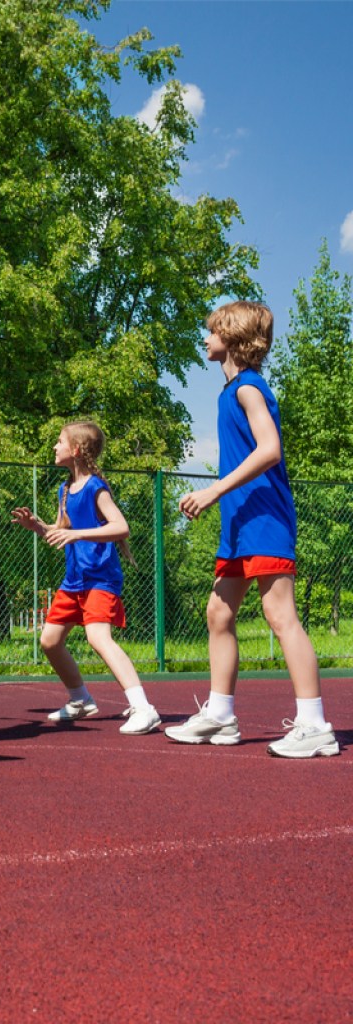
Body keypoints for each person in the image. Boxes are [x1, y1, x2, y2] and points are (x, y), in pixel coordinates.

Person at [167, 301, 339, 757]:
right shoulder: (229, 392)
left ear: (234, 338)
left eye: (211, 332)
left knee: (281, 617)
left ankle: (315, 723)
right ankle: (221, 716)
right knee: (218, 614)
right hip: (241, 524)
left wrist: (212, 491)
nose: (205, 339)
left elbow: (270, 450)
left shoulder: (248, 388)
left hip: (265, 518)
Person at [13, 422, 161, 735]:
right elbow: (60, 531)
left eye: (59, 441)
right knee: (50, 641)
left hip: (100, 579)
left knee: (97, 638)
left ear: (76, 450)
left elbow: (121, 527)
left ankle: (143, 708)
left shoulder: (96, 487)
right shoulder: (64, 490)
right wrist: (36, 527)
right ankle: (80, 699)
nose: (54, 446)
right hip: (74, 581)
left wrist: (78, 533)